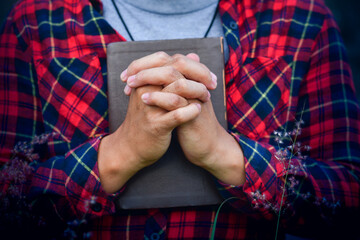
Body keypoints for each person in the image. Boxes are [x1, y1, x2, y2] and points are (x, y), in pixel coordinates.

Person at [0, 0, 359, 239]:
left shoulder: (302, 20)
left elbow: (349, 200)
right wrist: (117, 155)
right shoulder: (36, 21)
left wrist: (229, 156)